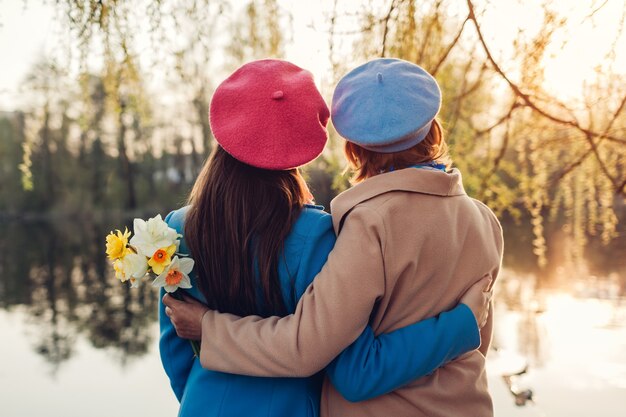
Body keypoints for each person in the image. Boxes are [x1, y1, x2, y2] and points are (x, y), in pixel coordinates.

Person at [161, 59, 496, 417]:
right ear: (437, 133)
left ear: (352, 150)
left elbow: (176, 349)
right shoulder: (486, 222)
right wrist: (461, 324)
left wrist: (204, 389)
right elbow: (478, 346)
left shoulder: (176, 229)